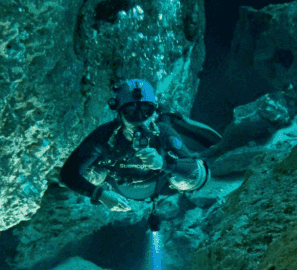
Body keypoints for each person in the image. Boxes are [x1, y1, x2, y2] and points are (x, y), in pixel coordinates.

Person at [60, 79, 211, 212]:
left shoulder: (163, 132)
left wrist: (164, 164)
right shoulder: (105, 135)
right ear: (119, 113)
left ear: (154, 112)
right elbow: (68, 173)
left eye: (146, 111)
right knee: (88, 174)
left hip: (158, 184)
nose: (140, 119)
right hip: (116, 185)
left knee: (192, 179)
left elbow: (195, 171)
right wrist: (99, 194)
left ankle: (168, 117)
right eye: (131, 111)